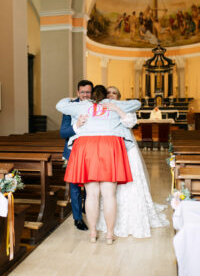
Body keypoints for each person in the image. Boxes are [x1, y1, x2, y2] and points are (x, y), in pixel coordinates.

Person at [56, 85, 141, 244]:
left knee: (92, 194)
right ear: (106, 96)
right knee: (109, 195)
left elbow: (60, 105)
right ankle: (109, 234)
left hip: (87, 146)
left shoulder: (83, 104)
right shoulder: (115, 105)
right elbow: (137, 103)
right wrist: (115, 106)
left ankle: (93, 233)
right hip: (109, 145)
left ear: (92, 95)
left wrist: (71, 98)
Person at [96, 86, 169, 238]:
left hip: (127, 150)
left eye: (114, 93)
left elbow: (130, 123)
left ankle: (133, 217)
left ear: (119, 96)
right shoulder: (101, 108)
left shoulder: (125, 106)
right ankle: (110, 219)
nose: (111, 95)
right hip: (110, 151)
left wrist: (117, 108)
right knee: (111, 186)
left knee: (131, 182)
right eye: (108, 93)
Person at [59, 80, 93, 231]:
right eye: (83, 92)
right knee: (74, 186)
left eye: (88, 92)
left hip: (91, 151)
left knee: (90, 184)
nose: (85, 95)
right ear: (78, 92)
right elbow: (63, 133)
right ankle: (77, 219)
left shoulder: (95, 106)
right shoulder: (69, 107)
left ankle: (87, 208)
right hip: (73, 151)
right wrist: (77, 125)